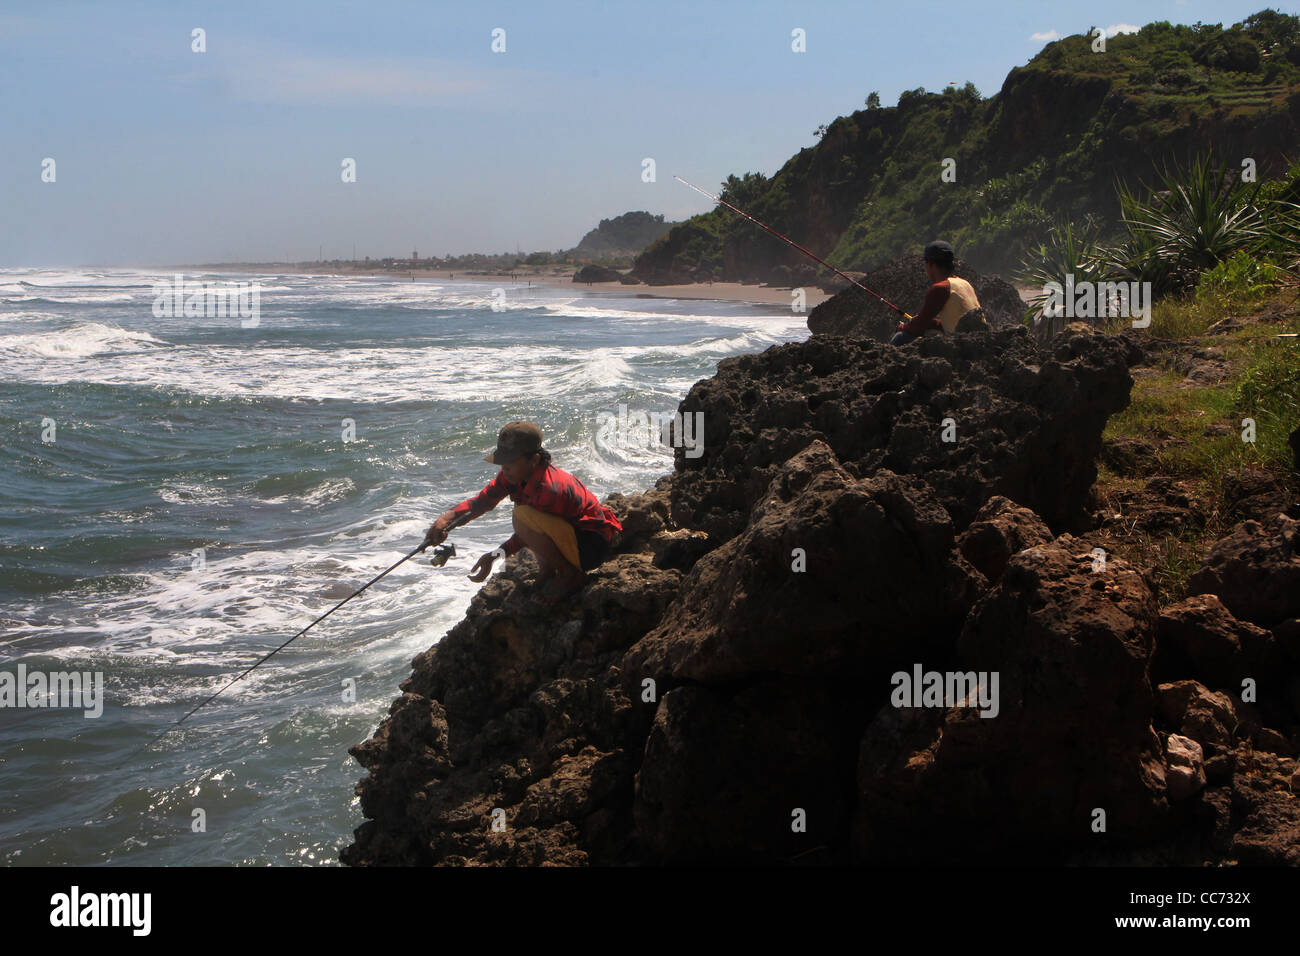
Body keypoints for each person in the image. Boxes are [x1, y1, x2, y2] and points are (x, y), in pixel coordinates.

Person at [424, 421, 623, 606]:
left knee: (523, 516)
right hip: (569, 537)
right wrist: (446, 519)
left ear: (534, 460)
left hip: (590, 546)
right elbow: (484, 501)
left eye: (510, 462)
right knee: (526, 515)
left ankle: (568, 574)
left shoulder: (549, 489)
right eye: (502, 462)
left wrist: (495, 556)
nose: (504, 468)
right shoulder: (513, 476)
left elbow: (526, 536)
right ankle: (548, 570)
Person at [890, 241, 982, 345]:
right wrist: (932, 323)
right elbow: (958, 320)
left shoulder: (940, 288)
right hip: (980, 341)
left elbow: (918, 326)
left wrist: (902, 327)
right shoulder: (965, 283)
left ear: (931, 264)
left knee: (900, 337)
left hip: (962, 346)